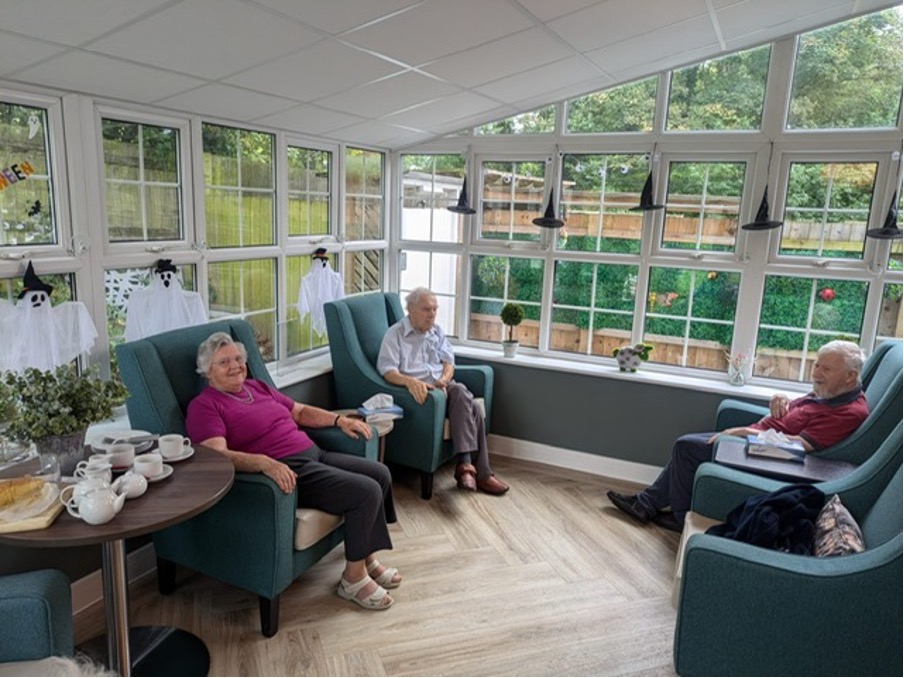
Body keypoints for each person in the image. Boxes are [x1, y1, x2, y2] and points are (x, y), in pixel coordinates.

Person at [186, 331, 401, 610]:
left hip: (315, 454)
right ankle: (353, 580)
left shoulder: (257, 387)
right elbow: (217, 454)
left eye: (239, 358)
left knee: (380, 474)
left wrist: (338, 421)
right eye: (224, 362)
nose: (235, 365)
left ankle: (366, 557)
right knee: (366, 491)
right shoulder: (205, 405)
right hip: (291, 469)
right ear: (207, 372)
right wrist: (265, 462)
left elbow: (299, 412)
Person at [607, 340, 869, 532]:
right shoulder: (830, 393)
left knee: (686, 446)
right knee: (689, 446)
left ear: (850, 377)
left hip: (767, 456)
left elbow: (800, 447)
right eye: (816, 365)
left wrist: (749, 433)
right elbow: (799, 413)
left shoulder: (848, 411)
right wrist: (781, 399)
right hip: (759, 440)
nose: (816, 373)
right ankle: (646, 503)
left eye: (826, 369)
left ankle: (679, 516)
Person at [377, 287, 509, 496]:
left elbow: (449, 362)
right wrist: (411, 382)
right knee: (472, 405)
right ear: (410, 309)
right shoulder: (395, 335)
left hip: (444, 388)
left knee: (462, 394)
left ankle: (468, 469)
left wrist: (443, 381)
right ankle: (478, 472)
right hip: (424, 396)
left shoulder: (436, 331)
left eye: (435, 309)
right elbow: (387, 370)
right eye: (426, 309)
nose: (432, 314)